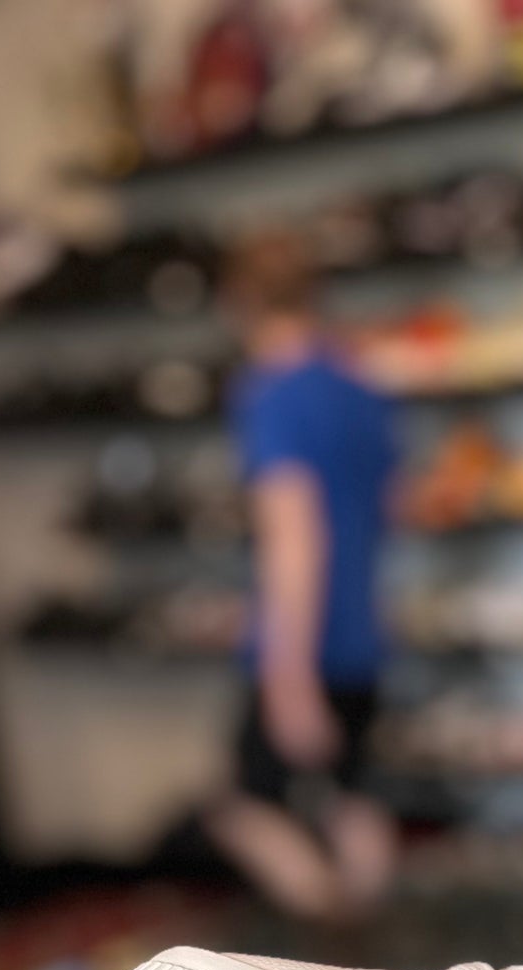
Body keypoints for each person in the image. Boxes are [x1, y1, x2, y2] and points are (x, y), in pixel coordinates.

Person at [209, 230, 399, 919]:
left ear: (237, 302)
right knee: (353, 802)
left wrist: (287, 672)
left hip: (306, 640)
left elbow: (295, 536)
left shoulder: (272, 395)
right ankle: (385, 965)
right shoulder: (358, 387)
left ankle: (332, 958)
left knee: (246, 808)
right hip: (363, 631)